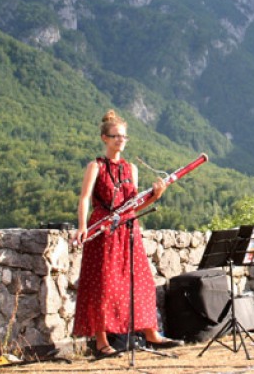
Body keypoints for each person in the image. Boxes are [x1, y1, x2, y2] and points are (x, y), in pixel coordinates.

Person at [73, 110, 182, 357]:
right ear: (104, 138)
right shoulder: (96, 166)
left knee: (139, 281)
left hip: (128, 228)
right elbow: (85, 198)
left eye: (123, 136)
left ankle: (150, 333)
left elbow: (133, 205)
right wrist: (82, 226)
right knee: (102, 283)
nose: (120, 140)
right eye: (115, 136)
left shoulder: (131, 168)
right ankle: (101, 342)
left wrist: (156, 195)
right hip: (103, 228)